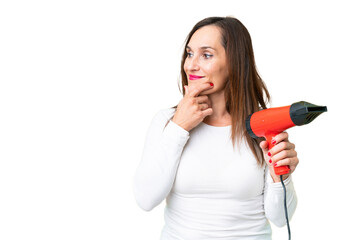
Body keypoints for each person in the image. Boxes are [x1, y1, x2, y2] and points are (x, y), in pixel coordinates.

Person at [133, 16, 298, 240]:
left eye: (206, 55)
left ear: (234, 62)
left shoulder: (261, 125)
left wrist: (280, 176)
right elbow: (145, 199)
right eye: (189, 53)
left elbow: (280, 218)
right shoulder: (166, 121)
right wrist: (179, 127)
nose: (190, 64)